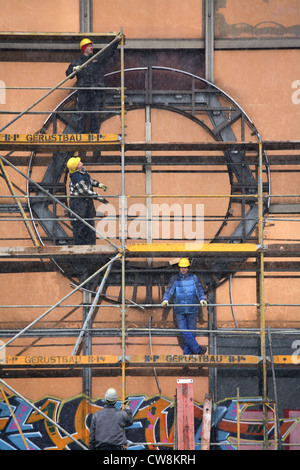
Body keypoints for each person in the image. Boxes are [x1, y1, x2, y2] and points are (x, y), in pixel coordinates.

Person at [66, 37, 119, 134]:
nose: (91, 47)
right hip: (83, 92)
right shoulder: (77, 63)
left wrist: (115, 42)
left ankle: (95, 134)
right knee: (82, 114)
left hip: (95, 91)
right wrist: (73, 69)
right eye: (89, 46)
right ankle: (80, 135)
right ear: (84, 48)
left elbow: (108, 53)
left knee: (95, 114)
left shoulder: (97, 59)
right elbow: (68, 74)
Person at [161, 258, 207, 355]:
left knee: (191, 333)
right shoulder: (175, 278)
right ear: (179, 268)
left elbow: (199, 289)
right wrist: (165, 299)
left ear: (188, 268)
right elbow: (169, 289)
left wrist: (202, 299)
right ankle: (198, 349)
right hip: (179, 310)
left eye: (185, 267)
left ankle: (187, 355)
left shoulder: (193, 278)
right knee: (183, 332)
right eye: (181, 267)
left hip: (192, 309)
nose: (183, 269)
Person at [67, 156, 108, 245]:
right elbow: (84, 191)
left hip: (85, 202)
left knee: (89, 223)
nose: (81, 162)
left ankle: (90, 244)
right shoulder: (76, 178)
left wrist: (99, 184)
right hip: (79, 203)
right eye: (79, 162)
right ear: (77, 166)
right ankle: (80, 245)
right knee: (80, 224)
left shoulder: (82, 173)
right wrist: (98, 197)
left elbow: (89, 181)